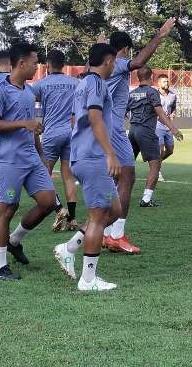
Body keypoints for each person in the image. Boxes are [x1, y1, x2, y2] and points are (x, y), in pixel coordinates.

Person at [52, 43, 124, 292]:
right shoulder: (94, 83)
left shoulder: (84, 83)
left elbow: (76, 119)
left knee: (113, 210)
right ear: (107, 61)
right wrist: (110, 153)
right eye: (114, 62)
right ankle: (88, 280)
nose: (115, 66)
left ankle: (69, 248)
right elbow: (94, 118)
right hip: (92, 157)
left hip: (86, 155)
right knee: (98, 217)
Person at [102, 19, 176, 255]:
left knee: (114, 180)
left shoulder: (99, 64)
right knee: (128, 177)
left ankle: (106, 233)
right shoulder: (119, 63)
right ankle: (115, 235)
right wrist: (160, 35)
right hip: (115, 128)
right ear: (125, 49)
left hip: (104, 126)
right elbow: (140, 61)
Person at [0, 43, 59, 280]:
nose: (38, 67)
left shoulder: (28, 92)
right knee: (7, 210)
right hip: (9, 160)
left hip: (31, 157)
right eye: (35, 62)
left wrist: (41, 155)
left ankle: (15, 240)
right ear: (22, 63)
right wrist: (23, 124)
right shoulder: (1, 90)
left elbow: (32, 128)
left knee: (48, 202)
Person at [31, 49, 80, 231]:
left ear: (47, 65)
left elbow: (25, 96)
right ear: (64, 65)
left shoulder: (41, 84)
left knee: (43, 174)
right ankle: (73, 219)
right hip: (71, 133)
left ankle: (59, 208)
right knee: (68, 176)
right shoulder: (76, 83)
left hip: (52, 133)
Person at [127, 66, 183, 207]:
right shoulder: (152, 92)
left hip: (132, 130)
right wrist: (174, 129)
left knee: (126, 165)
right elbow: (160, 113)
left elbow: (123, 112)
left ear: (138, 78)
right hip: (146, 132)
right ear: (151, 77)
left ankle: (116, 194)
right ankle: (146, 199)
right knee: (155, 165)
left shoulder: (132, 93)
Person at [155, 74, 178, 181]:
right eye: (164, 81)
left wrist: (173, 114)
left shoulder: (173, 95)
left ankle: (156, 163)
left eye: (167, 81)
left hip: (168, 126)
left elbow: (173, 108)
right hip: (157, 125)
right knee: (160, 148)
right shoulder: (154, 94)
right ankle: (157, 171)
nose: (167, 83)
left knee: (170, 150)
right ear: (158, 83)